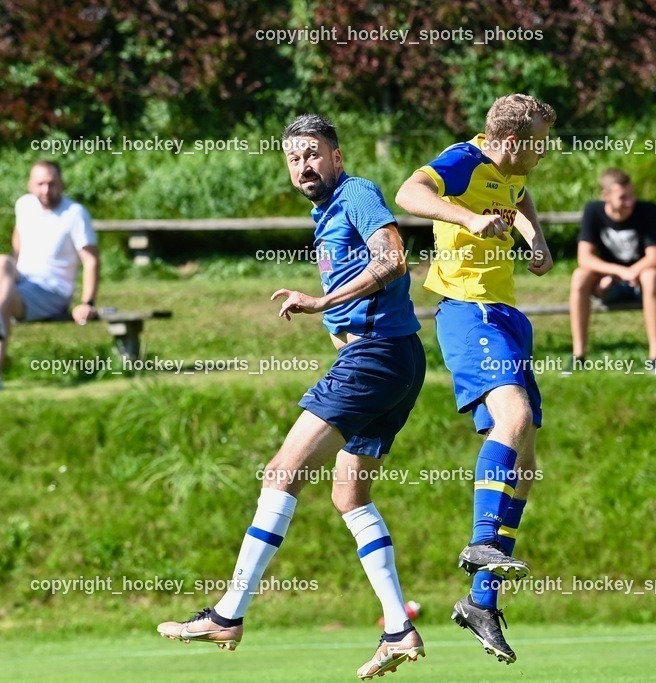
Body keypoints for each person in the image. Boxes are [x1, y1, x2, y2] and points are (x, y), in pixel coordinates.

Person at [157, 114, 427, 680]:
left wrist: (324, 302)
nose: (303, 165)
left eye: (312, 154)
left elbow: (393, 258)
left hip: (375, 359)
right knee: (350, 496)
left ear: (337, 156)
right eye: (293, 158)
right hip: (396, 360)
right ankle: (397, 628)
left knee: (281, 474)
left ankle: (229, 613)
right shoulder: (324, 212)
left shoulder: (356, 193)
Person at [395, 93, 555, 665]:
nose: (544, 152)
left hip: (506, 315)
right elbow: (409, 193)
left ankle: (481, 601)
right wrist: (467, 218)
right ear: (511, 141)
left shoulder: (511, 169)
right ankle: (482, 541)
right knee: (513, 417)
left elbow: (519, 194)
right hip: (469, 311)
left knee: (526, 465)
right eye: (538, 143)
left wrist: (535, 236)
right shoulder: (464, 160)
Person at [0, 161, 100, 387]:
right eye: (40, 184)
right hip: (21, 281)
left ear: (61, 184)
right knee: (2, 262)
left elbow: (91, 260)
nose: (46, 190)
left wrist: (88, 303)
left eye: (51, 184)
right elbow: (18, 239)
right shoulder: (24, 205)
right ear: (30, 185)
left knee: (0, 302)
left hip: (52, 291)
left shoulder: (75, 214)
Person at [569, 168, 656, 371]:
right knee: (579, 276)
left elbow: (655, 258)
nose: (630, 202)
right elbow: (584, 257)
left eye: (632, 195)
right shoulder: (593, 211)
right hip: (609, 284)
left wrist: (631, 272)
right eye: (623, 197)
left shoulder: (648, 210)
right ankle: (578, 357)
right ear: (605, 195)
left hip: (643, 283)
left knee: (651, 276)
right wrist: (618, 272)